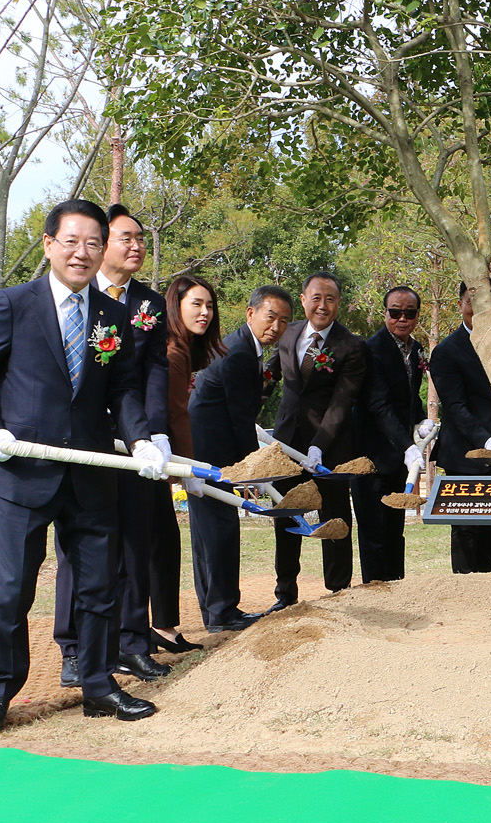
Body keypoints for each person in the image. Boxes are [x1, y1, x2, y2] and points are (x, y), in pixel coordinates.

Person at [0, 198, 169, 732]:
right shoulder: (13, 305)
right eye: (71, 241)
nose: (82, 252)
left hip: (92, 470)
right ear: (49, 244)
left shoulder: (113, 315)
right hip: (24, 471)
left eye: (93, 242)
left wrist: (140, 439)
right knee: (13, 590)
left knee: (99, 587)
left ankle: (97, 685)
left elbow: (121, 389)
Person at [54, 205, 178, 690]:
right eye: (126, 238)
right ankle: (74, 648)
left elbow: (151, 373)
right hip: (82, 441)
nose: (136, 246)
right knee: (79, 548)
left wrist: (151, 432)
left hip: (135, 440)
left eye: (141, 239)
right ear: (100, 243)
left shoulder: (148, 304)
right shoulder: (72, 295)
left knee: (135, 539)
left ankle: (131, 642)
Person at [188, 284, 294, 630]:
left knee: (210, 530)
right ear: (251, 313)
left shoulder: (247, 348)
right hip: (210, 451)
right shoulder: (239, 353)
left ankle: (216, 611)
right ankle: (222, 613)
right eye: (270, 316)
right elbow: (238, 418)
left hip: (209, 447)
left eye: (283, 321)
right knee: (218, 530)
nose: (276, 327)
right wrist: (255, 468)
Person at [268, 272, 367, 610]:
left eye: (330, 299)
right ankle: (285, 593)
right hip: (285, 444)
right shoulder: (288, 332)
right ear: (304, 297)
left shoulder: (351, 346)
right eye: (316, 298)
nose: (322, 305)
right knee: (287, 515)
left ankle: (339, 590)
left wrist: (319, 445)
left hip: (330, 447)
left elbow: (342, 401)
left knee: (335, 516)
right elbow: (271, 374)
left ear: (338, 303)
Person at [153, 272, 224, 645]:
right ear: (175, 306)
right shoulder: (172, 351)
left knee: (160, 539)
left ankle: (157, 627)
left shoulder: (180, 348)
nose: (205, 312)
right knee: (160, 540)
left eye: (209, 305)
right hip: (147, 454)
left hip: (157, 453)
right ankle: (156, 629)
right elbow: (176, 414)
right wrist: (189, 468)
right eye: (196, 303)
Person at [428, 278, 491, 573]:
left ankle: (490, 589)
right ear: (460, 303)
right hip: (464, 453)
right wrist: (485, 440)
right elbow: (455, 407)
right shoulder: (446, 351)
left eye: (483, 303)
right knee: (466, 529)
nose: (475, 309)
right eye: (469, 301)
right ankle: (465, 590)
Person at [350, 286, 428, 583]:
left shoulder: (417, 348)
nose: (402, 319)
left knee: (396, 529)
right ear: (385, 313)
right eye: (395, 312)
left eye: (409, 313)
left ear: (417, 316)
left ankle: (398, 589)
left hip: (398, 458)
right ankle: (375, 589)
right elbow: (379, 404)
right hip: (371, 456)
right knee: (374, 531)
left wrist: (421, 419)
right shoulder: (370, 350)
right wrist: (409, 446)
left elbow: (407, 397)